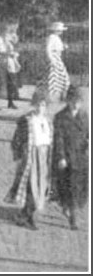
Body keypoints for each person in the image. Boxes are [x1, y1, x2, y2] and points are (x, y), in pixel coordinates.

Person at [4, 90, 52, 230]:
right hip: (31, 156)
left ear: (46, 106)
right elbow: (17, 140)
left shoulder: (47, 121)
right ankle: (27, 216)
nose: (40, 108)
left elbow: (50, 140)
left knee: (42, 187)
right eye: (37, 105)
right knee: (31, 186)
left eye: (43, 105)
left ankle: (25, 214)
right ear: (34, 104)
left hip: (44, 157)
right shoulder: (27, 120)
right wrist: (19, 155)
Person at [52, 85, 89, 230]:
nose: (75, 104)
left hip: (81, 157)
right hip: (66, 159)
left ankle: (69, 206)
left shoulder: (85, 115)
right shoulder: (60, 117)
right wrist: (61, 157)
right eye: (73, 101)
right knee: (69, 187)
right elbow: (58, 138)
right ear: (68, 101)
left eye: (78, 101)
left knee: (81, 187)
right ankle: (73, 218)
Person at [0, 22, 21, 110]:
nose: (7, 32)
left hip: (10, 63)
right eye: (5, 30)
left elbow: (15, 48)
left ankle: (10, 102)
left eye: (8, 31)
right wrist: (2, 55)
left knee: (11, 83)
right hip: (0, 63)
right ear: (1, 30)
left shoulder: (10, 39)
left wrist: (14, 53)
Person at [36, 22, 70, 103]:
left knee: (62, 77)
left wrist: (63, 47)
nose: (61, 32)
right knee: (53, 78)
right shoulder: (51, 37)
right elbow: (48, 49)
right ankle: (50, 97)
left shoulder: (56, 37)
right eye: (60, 30)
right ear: (56, 30)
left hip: (57, 58)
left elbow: (57, 47)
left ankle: (58, 95)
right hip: (54, 59)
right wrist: (51, 60)